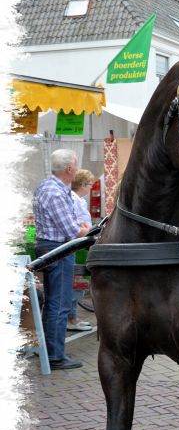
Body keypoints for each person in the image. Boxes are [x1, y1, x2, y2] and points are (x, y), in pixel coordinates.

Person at [32, 150, 91, 369]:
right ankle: (55, 356)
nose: (76, 170)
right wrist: (86, 230)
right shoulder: (55, 191)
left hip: (52, 248)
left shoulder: (49, 187)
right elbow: (71, 230)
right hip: (58, 249)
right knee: (59, 303)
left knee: (54, 302)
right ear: (69, 169)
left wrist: (79, 227)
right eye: (75, 166)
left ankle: (50, 353)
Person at [67, 170, 95, 331]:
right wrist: (85, 227)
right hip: (77, 242)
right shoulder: (73, 199)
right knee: (76, 282)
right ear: (83, 184)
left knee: (77, 283)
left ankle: (73, 317)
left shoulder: (78, 199)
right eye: (90, 184)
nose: (90, 188)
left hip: (80, 241)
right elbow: (78, 223)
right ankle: (71, 319)